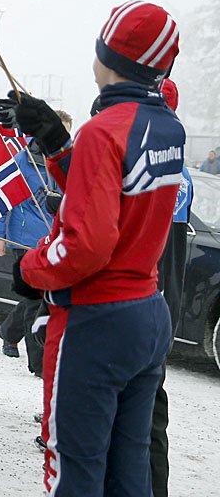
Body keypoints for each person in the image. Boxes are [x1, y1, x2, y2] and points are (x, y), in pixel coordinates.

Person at [5, 1, 183, 495]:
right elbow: (117, 193)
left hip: (96, 320)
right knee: (129, 466)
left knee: (75, 467)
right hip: (146, 312)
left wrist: (31, 270)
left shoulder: (104, 130)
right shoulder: (166, 125)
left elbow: (88, 243)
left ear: (107, 56)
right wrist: (57, 142)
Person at [0, 112, 72, 377]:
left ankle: (9, 331)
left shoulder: (69, 161)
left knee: (41, 296)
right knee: (36, 297)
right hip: (25, 237)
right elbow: (1, 197)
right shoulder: (23, 161)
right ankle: (39, 363)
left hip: (56, 238)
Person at [150, 77, 191, 497]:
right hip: (161, 301)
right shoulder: (175, 161)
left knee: (140, 415)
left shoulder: (159, 161)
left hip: (144, 301)